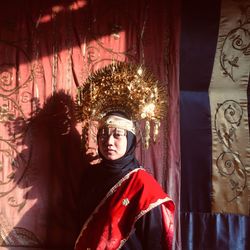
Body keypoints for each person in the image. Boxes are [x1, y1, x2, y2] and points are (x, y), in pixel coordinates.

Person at [74, 62, 175, 249]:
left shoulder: (143, 186)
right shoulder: (89, 177)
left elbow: (156, 243)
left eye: (118, 135)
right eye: (103, 134)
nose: (109, 141)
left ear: (130, 140)